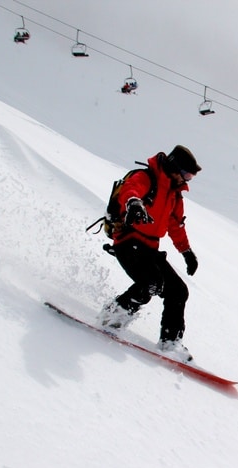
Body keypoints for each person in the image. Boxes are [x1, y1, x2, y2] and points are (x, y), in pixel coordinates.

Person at [98, 145, 202, 362]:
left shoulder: (175, 195)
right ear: (174, 167)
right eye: (186, 174)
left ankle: (170, 342)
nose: (187, 181)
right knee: (150, 283)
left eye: (190, 177)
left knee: (178, 291)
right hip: (128, 241)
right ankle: (111, 317)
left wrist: (187, 252)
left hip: (150, 248)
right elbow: (130, 190)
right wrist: (134, 203)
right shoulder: (147, 178)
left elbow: (176, 227)